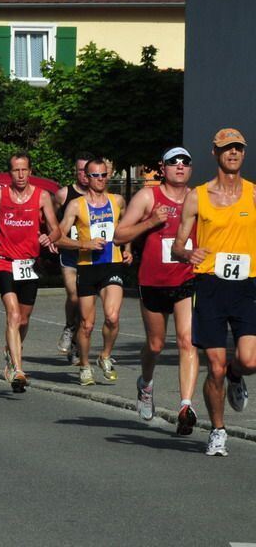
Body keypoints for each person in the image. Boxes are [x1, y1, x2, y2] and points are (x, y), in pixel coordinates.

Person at [172, 128, 256, 456]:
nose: (233, 154)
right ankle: (218, 430)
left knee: (248, 359)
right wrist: (186, 252)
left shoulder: (252, 194)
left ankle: (238, 375)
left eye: (238, 149)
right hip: (209, 286)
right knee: (215, 366)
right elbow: (179, 244)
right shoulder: (198, 195)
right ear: (215, 153)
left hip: (247, 284)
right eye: (227, 149)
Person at [114, 146, 199, 434]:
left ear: (190, 168)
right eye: (173, 162)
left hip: (187, 279)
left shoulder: (198, 197)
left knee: (188, 341)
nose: (179, 166)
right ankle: (145, 384)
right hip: (153, 280)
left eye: (185, 162)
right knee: (156, 345)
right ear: (162, 168)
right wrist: (151, 221)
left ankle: (186, 406)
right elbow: (118, 235)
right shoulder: (148, 196)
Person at [0, 152, 60, 392]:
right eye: (16, 170)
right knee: (13, 315)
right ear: (10, 173)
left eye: (24, 170)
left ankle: (10, 350)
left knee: (24, 319)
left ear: (30, 171)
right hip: (4, 262)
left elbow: (56, 229)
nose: (21, 175)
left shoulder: (42, 196)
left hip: (29, 264)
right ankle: (17, 368)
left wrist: (49, 237)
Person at [54, 156, 131, 386]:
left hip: (113, 265)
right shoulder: (76, 205)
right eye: (95, 175)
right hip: (88, 267)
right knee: (86, 324)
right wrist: (83, 245)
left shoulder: (117, 201)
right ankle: (85, 365)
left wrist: (128, 249)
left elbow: (127, 228)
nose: (100, 179)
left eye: (103, 175)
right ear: (86, 178)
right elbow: (58, 237)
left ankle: (105, 355)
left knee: (113, 317)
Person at [54, 152, 94, 361]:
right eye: (81, 170)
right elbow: (49, 215)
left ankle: (80, 344)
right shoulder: (64, 194)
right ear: (76, 172)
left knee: (87, 305)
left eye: (89, 170)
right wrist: (52, 236)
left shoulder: (101, 196)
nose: (86, 175)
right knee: (74, 296)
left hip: (93, 256)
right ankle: (70, 327)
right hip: (70, 254)